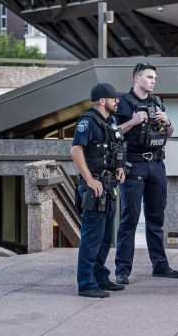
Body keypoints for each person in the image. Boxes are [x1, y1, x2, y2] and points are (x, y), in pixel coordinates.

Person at [113, 62, 178, 284]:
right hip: (133, 165)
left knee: (156, 218)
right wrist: (132, 121)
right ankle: (122, 270)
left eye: (155, 78)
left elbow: (169, 133)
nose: (153, 81)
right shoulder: (121, 102)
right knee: (129, 219)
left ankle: (160, 265)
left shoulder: (156, 101)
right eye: (150, 77)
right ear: (136, 78)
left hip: (156, 164)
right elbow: (112, 133)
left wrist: (167, 121)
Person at [71, 82, 127, 298]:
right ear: (102, 101)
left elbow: (115, 148)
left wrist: (119, 167)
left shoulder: (110, 122)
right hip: (94, 187)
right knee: (92, 236)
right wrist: (90, 180)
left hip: (109, 185)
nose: (117, 102)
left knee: (105, 236)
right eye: (114, 99)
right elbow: (76, 151)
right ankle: (86, 284)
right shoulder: (88, 121)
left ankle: (100, 277)